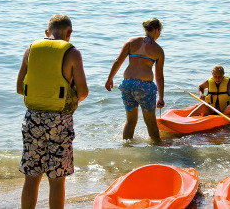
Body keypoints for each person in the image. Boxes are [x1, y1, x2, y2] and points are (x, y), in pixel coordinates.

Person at [16, 14, 88, 209]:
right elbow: (83, 92)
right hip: (60, 122)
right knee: (57, 180)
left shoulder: (30, 50)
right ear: (69, 33)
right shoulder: (72, 53)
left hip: (32, 119)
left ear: (47, 32)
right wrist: (68, 102)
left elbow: (20, 88)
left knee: (31, 177)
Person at [105, 18, 165, 143]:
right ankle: (157, 150)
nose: (159, 34)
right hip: (144, 87)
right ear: (155, 30)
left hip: (127, 85)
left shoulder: (131, 41)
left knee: (130, 121)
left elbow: (118, 61)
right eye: (160, 31)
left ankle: (126, 149)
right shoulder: (158, 50)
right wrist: (161, 97)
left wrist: (110, 79)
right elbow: (159, 76)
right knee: (150, 121)